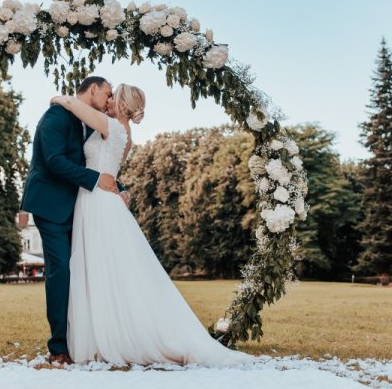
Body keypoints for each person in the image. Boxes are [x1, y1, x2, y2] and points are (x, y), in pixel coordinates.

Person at [50, 83, 252, 367]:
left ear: (119, 103)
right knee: (109, 270)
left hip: (96, 201)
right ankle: (106, 334)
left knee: (97, 267)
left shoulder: (108, 124)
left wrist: (56, 98)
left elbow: (73, 105)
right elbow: (111, 168)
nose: (106, 99)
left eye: (111, 95)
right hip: (103, 199)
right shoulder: (126, 134)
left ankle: (106, 337)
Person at [20, 76, 129, 366]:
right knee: (61, 272)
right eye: (106, 95)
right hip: (51, 206)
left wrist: (120, 187)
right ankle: (58, 347)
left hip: (79, 206)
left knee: (83, 272)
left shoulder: (86, 122)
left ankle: (84, 338)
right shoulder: (56, 115)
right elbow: (53, 161)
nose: (109, 101)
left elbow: (95, 162)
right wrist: (96, 180)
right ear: (93, 89)